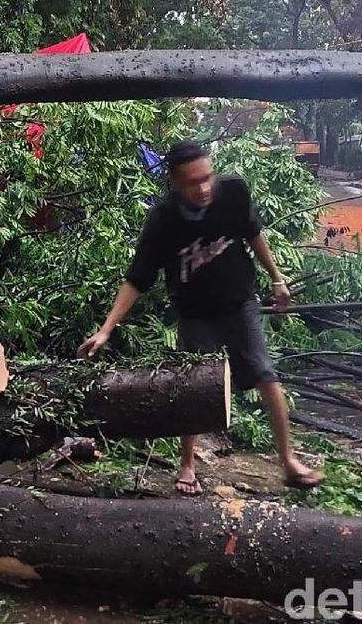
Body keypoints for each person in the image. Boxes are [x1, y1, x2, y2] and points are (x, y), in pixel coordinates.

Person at [77, 139, 324, 493]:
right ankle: (188, 463)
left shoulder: (233, 193)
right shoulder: (163, 221)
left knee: (266, 376)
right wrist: (106, 330)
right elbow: (137, 279)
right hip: (194, 315)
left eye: (208, 177)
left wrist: (278, 280)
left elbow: (254, 236)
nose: (205, 188)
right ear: (175, 183)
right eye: (194, 182)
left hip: (240, 304)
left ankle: (288, 461)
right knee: (190, 388)